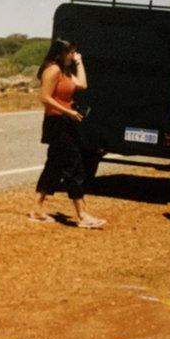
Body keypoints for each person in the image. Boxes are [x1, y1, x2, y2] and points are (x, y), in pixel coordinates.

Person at [29, 39, 107, 229]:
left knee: (54, 165)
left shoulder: (65, 72)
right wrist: (68, 111)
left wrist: (80, 62)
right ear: (62, 53)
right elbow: (45, 98)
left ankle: (37, 209)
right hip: (57, 122)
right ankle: (82, 215)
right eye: (71, 52)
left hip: (65, 121)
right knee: (74, 164)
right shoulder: (53, 70)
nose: (73, 55)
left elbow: (82, 85)